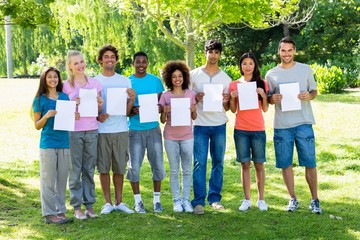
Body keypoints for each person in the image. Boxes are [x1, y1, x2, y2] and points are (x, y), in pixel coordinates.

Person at [265, 37, 322, 214]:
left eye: (290, 50)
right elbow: (268, 99)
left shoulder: (305, 70)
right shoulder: (271, 74)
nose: (287, 54)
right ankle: (293, 198)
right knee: (285, 163)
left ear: (294, 51)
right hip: (282, 125)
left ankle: (314, 200)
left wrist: (309, 95)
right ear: (278, 51)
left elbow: (314, 91)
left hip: (303, 122)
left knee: (310, 162)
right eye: (283, 50)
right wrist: (272, 99)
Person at [190, 39, 231, 214]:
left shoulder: (226, 78)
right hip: (199, 124)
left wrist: (226, 101)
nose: (213, 55)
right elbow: (186, 98)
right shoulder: (194, 75)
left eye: (216, 52)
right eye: (210, 52)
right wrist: (195, 98)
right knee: (199, 163)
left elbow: (228, 108)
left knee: (218, 162)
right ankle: (198, 201)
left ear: (220, 54)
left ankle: (214, 198)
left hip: (219, 124)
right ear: (205, 53)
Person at [63, 50, 103, 220]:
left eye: (82, 62)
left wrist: (100, 104)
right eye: (76, 63)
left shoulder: (95, 84)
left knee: (89, 169)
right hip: (74, 132)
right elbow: (63, 111)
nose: (80, 65)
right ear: (70, 67)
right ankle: (76, 206)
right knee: (75, 169)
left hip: (92, 130)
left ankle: (90, 205)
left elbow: (99, 110)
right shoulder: (65, 86)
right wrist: (73, 106)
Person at [95, 45, 136, 215]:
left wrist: (132, 99)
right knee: (103, 168)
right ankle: (107, 203)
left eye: (112, 56)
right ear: (100, 60)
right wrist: (98, 116)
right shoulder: (95, 81)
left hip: (120, 129)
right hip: (102, 130)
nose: (110, 59)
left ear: (116, 60)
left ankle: (119, 202)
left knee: (119, 167)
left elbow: (126, 112)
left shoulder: (124, 81)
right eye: (106, 56)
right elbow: (92, 108)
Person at [32, 67, 75, 224]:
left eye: (55, 77)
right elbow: (37, 125)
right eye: (49, 77)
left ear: (59, 79)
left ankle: (60, 210)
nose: (52, 80)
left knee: (62, 179)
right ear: (44, 79)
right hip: (48, 144)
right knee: (48, 180)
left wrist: (74, 115)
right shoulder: (39, 100)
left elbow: (68, 119)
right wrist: (46, 116)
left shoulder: (64, 97)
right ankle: (49, 214)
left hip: (64, 143)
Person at [126, 52, 166, 213]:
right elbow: (124, 110)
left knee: (157, 164)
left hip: (153, 129)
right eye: (138, 62)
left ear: (148, 63)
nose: (141, 64)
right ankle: (138, 201)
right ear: (133, 63)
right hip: (135, 130)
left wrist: (159, 108)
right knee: (134, 167)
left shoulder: (156, 81)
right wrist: (132, 111)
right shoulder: (128, 82)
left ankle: (157, 200)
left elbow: (161, 103)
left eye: (143, 61)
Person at [229, 53, 269, 212]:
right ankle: (247, 199)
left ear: (255, 65)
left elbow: (265, 109)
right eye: (244, 63)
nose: (247, 66)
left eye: (250, 63)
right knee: (245, 164)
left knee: (259, 164)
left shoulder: (262, 83)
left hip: (258, 129)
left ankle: (261, 199)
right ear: (240, 66)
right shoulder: (234, 85)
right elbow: (233, 110)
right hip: (241, 129)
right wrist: (232, 98)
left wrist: (263, 96)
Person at [159, 60, 197, 213]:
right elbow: (162, 120)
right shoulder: (165, 96)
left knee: (187, 170)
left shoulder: (191, 94)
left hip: (187, 136)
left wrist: (193, 109)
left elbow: (194, 117)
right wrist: (164, 111)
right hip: (170, 137)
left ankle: (186, 200)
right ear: (169, 78)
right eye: (174, 77)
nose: (177, 79)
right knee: (174, 170)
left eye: (180, 76)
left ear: (184, 77)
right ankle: (176, 200)